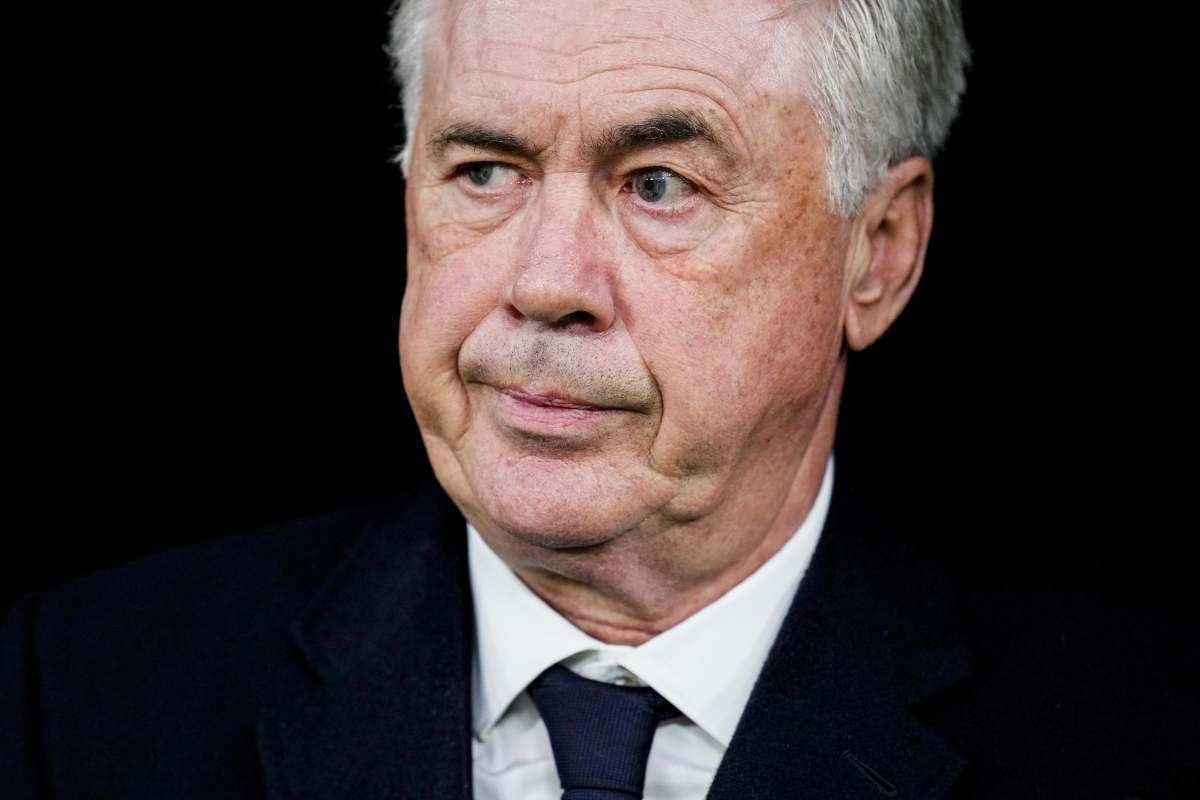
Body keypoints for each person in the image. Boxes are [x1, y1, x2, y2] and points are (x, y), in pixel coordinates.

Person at [2, 1, 1191, 798]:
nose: (544, 283)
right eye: (484, 170)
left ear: (877, 251)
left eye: (658, 183)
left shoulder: (1133, 734)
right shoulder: (89, 693)